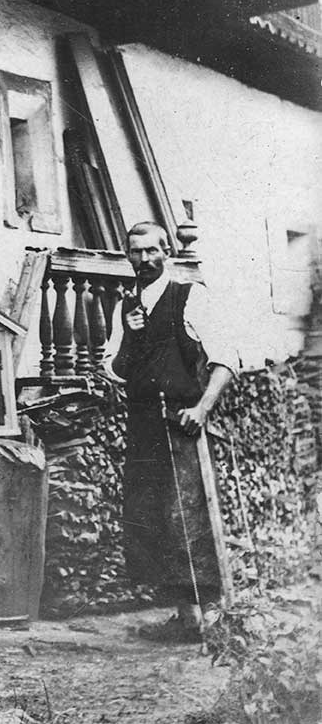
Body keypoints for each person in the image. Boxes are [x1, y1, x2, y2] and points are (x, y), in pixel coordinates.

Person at [104, 221, 239, 643]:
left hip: (182, 424)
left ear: (167, 253)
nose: (144, 260)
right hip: (144, 424)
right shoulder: (126, 306)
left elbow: (225, 359)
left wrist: (202, 408)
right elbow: (115, 368)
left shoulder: (188, 297)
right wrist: (131, 335)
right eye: (136, 252)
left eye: (151, 251)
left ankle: (216, 618)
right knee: (150, 517)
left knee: (189, 517)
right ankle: (187, 617)